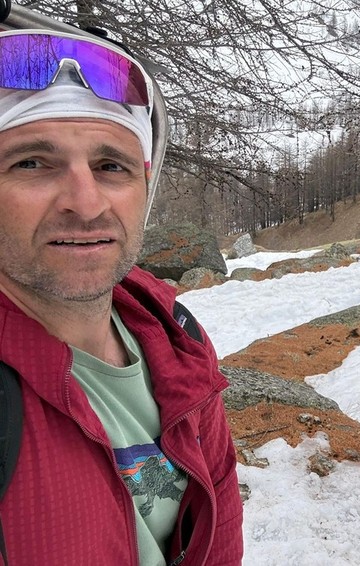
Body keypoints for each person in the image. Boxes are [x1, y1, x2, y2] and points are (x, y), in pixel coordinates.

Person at [0, 28, 243, 565]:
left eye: (112, 167)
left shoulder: (174, 334)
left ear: (145, 188)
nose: (86, 205)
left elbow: (219, 526)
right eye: (31, 163)